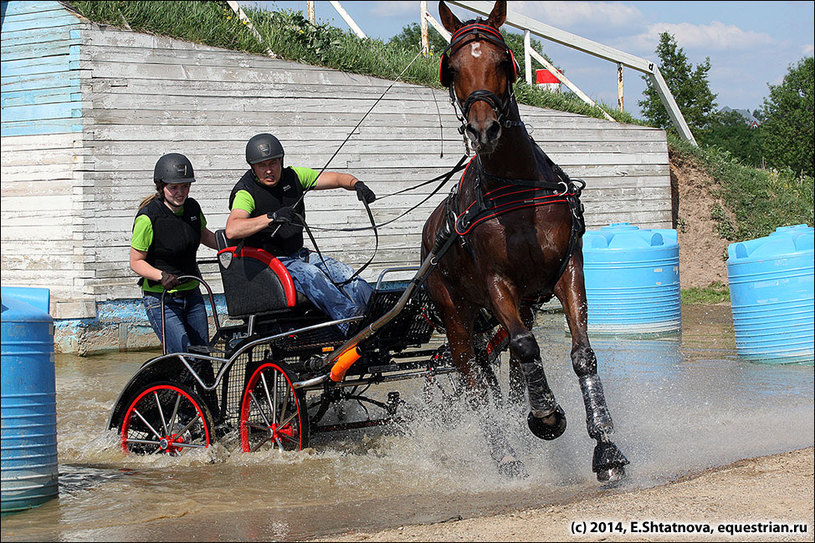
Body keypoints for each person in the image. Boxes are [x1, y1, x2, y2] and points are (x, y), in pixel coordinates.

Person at [225, 133, 376, 334]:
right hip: (270, 263)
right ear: (253, 167)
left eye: (274, 163)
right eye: (262, 165)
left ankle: (378, 315)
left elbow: (336, 178)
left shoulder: (294, 176)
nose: (269, 170)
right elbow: (233, 229)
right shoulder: (246, 192)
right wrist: (271, 217)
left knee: (346, 273)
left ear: (281, 161)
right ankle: (351, 323)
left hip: (300, 254)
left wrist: (356, 184)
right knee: (312, 275)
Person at [130, 152, 218, 354]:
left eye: (185, 186)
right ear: (161, 187)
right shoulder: (148, 217)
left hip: (192, 293)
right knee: (182, 354)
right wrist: (161, 276)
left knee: (203, 354)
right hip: (162, 299)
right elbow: (136, 261)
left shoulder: (193, 208)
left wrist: (230, 244)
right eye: (174, 187)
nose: (180, 192)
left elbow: (204, 235)